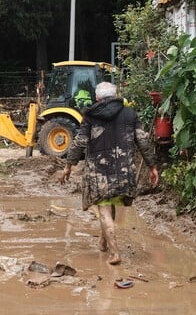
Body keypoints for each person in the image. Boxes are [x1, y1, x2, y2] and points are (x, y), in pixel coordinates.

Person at [60, 81, 159, 265]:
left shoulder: (90, 116)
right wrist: (152, 166)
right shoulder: (130, 114)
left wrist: (68, 166)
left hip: (99, 172)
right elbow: (143, 140)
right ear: (115, 95)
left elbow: (80, 142)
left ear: (97, 98)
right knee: (110, 203)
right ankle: (103, 242)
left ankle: (115, 253)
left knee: (104, 208)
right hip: (124, 170)